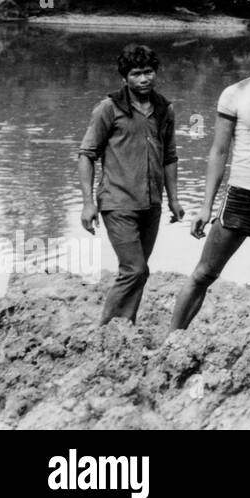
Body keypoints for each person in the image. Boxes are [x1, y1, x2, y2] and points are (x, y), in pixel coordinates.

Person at [171, 22, 250, 330]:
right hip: (242, 196)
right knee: (205, 273)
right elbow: (218, 151)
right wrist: (205, 206)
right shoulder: (235, 94)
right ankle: (172, 338)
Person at [77, 44, 184, 324]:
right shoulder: (108, 109)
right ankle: (107, 330)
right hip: (117, 202)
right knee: (134, 269)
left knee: (139, 270)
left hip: (152, 203)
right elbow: (86, 155)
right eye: (136, 74)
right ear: (124, 78)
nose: (144, 79)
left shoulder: (164, 109)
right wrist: (88, 204)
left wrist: (174, 199)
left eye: (148, 72)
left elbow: (170, 157)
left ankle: (125, 326)